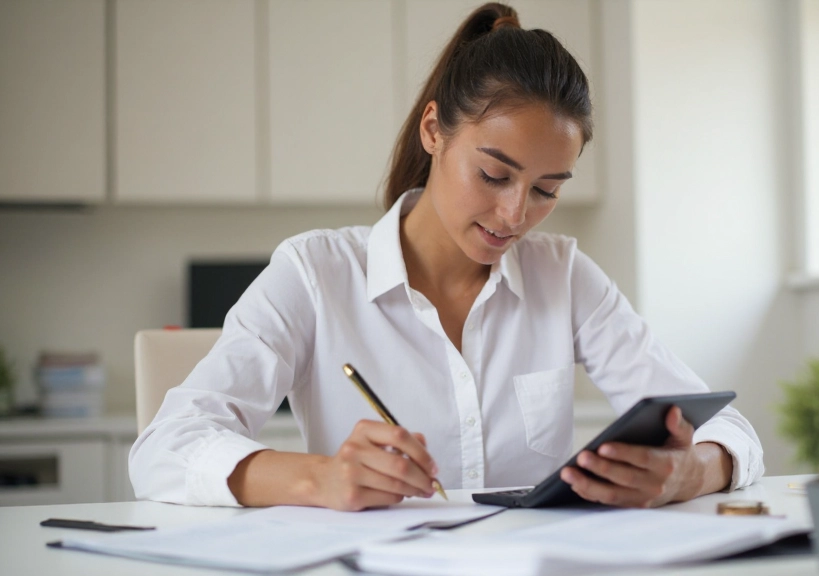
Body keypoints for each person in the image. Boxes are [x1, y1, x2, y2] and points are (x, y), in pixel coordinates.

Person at [130, 2, 764, 512]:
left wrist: (690, 474)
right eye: (494, 175)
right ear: (434, 131)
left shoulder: (563, 277)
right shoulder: (315, 274)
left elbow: (729, 428)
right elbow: (164, 448)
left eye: (547, 189)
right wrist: (317, 479)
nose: (516, 215)